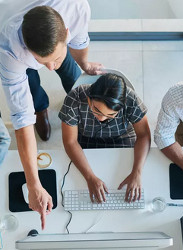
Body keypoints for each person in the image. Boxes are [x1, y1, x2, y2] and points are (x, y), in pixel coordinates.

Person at [0, 0, 103, 229]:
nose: (49, 68)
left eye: (53, 59)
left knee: (71, 72)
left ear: (66, 31)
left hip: (56, 35)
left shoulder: (76, 7)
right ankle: (42, 109)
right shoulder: (9, 48)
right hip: (14, 34)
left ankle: (76, 100)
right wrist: (34, 185)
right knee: (32, 84)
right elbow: (21, 120)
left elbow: (79, 40)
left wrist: (84, 63)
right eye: (41, 61)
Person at [59, 73, 151, 202]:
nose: (101, 118)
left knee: (123, 173)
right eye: (96, 110)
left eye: (111, 115)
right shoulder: (75, 98)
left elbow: (144, 135)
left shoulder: (130, 98)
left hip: (121, 137)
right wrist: (90, 177)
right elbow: (70, 141)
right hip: (86, 138)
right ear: (89, 98)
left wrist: (137, 172)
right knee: (78, 181)